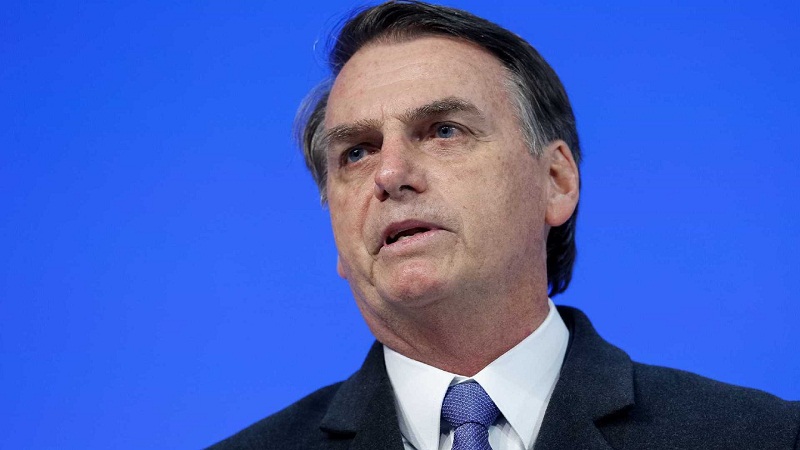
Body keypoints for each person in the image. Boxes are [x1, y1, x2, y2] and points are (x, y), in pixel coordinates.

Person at [209, 1, 799, 449]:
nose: (389, 174)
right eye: (357, 152)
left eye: (444, 130)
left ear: (556, 181)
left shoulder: (762, 437)